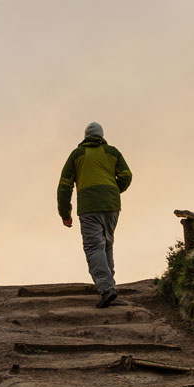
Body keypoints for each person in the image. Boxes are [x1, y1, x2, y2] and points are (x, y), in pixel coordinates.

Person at [57, 121, 132, 307]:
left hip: (89, 206)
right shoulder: (112, 152)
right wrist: (113, 190)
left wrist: (65, 213)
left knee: (93, 247)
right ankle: (109, 285)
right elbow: (126, 175)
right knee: (107, 244)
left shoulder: (77, 154)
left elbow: (64, 186)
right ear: (101, 135)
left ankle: (106, 289)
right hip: (112, 205)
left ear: (85, 137)